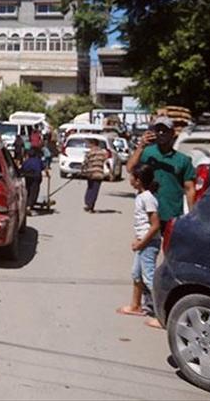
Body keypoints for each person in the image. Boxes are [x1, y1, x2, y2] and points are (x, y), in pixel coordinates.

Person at [126, 116, 196, 224]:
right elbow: (130, 168)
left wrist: (192, 216)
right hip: (149, 214)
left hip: (172, 214)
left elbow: (189, 189)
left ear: (172, 133)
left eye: (165, 131)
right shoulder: (147, 153)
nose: (161, 133)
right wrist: (141, 146)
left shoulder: (183, 160)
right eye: (158, 130)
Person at [117, 163, 161, 320]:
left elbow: (155, 225)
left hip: (149, 244)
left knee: (149, 278)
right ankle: (136, 305)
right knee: (136, 274)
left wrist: (142, 243)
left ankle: (160, 314)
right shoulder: (141, 196)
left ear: (139, 180)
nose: (130, 178)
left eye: (132, 177)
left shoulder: (148, 198)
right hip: (142, 242)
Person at [81, 138, 109, 212]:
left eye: (89, 144)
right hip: (99, 173)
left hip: (90, 173)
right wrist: (111, 173)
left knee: (90, 188)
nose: (88, 145)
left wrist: (82, 170)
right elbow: (107, 162)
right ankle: (91, 205)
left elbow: (85, 162)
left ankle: (88, 203)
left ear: (93, 144)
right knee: (95, 190)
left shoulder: (89, 153)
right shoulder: (103, 153)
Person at [20, 147, 44, 214]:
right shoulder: (38, 160)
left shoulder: (26, 162)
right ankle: (29, 206)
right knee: (34, 191)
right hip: (36, 177)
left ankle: (27, 204)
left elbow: (22, 169)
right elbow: (42, 168)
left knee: (28, 190)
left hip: (28, 177)